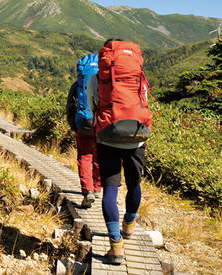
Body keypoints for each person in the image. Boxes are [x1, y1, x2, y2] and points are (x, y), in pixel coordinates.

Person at [87, 38, 151, 264]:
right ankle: (129, 225)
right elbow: (144, 101)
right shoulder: (138, 78)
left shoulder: (96, 79)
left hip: (108, 138)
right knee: (134, 183)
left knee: (110, 189)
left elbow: (93, 107)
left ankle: (116, 247)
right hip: (136, 138)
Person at [67, 80, 102, 208]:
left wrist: (74, 126)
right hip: (101, 123)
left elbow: (70, 106)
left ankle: (88, 190)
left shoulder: (78, 84)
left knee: (84, 156)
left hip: (83, 124)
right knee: (99, 155)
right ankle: (97, 187)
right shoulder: (104, 80)